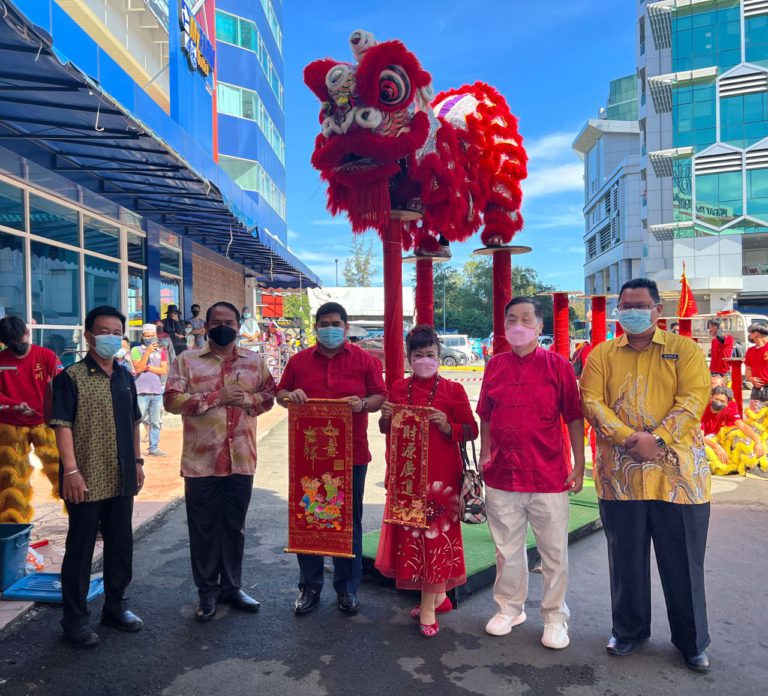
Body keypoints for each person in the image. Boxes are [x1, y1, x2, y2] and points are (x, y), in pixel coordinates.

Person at [580, 278, 712, 672]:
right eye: (625, 306)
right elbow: (592, 400)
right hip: (621, 476)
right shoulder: (601, 354)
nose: (631, 312)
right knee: (626, 559)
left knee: (684, 562)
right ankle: (628, 631)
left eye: (640, 305)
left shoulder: (683, 350)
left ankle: (692, 642)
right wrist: (627, 438)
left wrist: (658, 439)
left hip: (679, 478)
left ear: (657, 310)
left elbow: (695, 398)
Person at [477, 297, 585, 650]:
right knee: (507, 549)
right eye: (511, 319)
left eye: (526, 319)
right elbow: (487, 416)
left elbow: (573, 417)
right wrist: (485, 451)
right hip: (503, 473)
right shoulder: (494, 366)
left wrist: (579, 463)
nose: (518, 325)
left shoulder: (559, 367)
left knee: (554, 552)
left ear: (540, 327)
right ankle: (510, 608)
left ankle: (555, 618)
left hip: (548, 472)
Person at [164, 302, 275, 622]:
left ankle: (232, 587)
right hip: (201, 462)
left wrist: (250, 400)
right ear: (206, 326)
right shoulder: (187, 360)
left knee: (234, 528)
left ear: (239, 326)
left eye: (229, 322)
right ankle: (206, 593)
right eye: (216, 322)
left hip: (241, 460)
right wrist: (215, 398)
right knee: (203, 529)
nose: (222, 327)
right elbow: (171, 400)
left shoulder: (254, 362)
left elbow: (270, 395)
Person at [276, 302, 387, 616]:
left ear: (346, 327)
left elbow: (380, 397)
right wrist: (290, 397)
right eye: (324, 324)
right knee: (309, 519)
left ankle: (347, 589)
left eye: (335, 323)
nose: (330, 329)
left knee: (347, 522)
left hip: (351, 455)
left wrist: (363, 403)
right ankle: (309, 588)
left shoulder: (365, 360)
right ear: (316, 328)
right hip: (310, 458)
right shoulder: (299, 361)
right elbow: (280, 393)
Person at [49, 306, 145, 647]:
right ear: (89, 336)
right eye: (103, 331)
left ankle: (115, 608)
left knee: (121, 545)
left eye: (116, 331)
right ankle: (74, 620)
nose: (110, 337)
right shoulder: (69, 377)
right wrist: (71, 471)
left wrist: (137, 461)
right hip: (85, 479)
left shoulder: (125, 377)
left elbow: (135, 423)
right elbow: (62, 426)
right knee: (80, 549)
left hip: (121, 477)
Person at [375, 326, 478, 637]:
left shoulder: (453, 390)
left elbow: (471, 430)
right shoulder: (396, 388)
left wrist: (448, 425)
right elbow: (386, 429)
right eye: (418, 355)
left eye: (430, 355)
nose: (424, 360)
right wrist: (385, 416)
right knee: (413, 539)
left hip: (441, 480)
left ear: (439, 357)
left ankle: (429, 607)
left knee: (436, 539)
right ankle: (439, 595)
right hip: (407, 479)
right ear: (409, 358)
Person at [0, 316, 62, 524]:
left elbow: (61, 385)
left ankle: (85, 517)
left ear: (27, 333)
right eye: (11, 344)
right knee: (11, 480)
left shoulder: (46, 356)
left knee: (61, 471)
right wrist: (13, 404)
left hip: (45, 423)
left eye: (20, 340)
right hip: (10, 425)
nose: (17, 346)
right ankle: (13, 526)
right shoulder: (1, 361)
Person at [702, 385, 765, 476]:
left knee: (745, 437)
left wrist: (757, 441)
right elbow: (698, 436)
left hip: (717, 436)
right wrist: (715, 446)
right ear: (711, 397)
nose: (718, 403)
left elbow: (742, 426)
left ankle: (752, 466)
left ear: (727, 403)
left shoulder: (730, 406)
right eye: (716, 399)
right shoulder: (702, 406)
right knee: (702, 449)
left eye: (722, 401)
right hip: (698, 438)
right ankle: (712, 466)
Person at [131, 324, 169, 458]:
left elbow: (164, 371)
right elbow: (138, 368)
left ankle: (154, 448)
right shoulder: (136, 350)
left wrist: (148, 368)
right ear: (142, 337)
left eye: (152, 336)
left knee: (156, 422)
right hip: (141, 392)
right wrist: (147, 352)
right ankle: (132, 449)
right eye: (147, 336)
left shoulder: (161, 352)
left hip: (157, 392)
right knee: (136, 421)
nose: (150, 338)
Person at [745, 322, 768, 410]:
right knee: (755, 419)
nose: (749, 335)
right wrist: (751, 379)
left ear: (756, 334)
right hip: (757, 390)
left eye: (750, 333)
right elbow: (748, 370)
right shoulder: (750, 351)